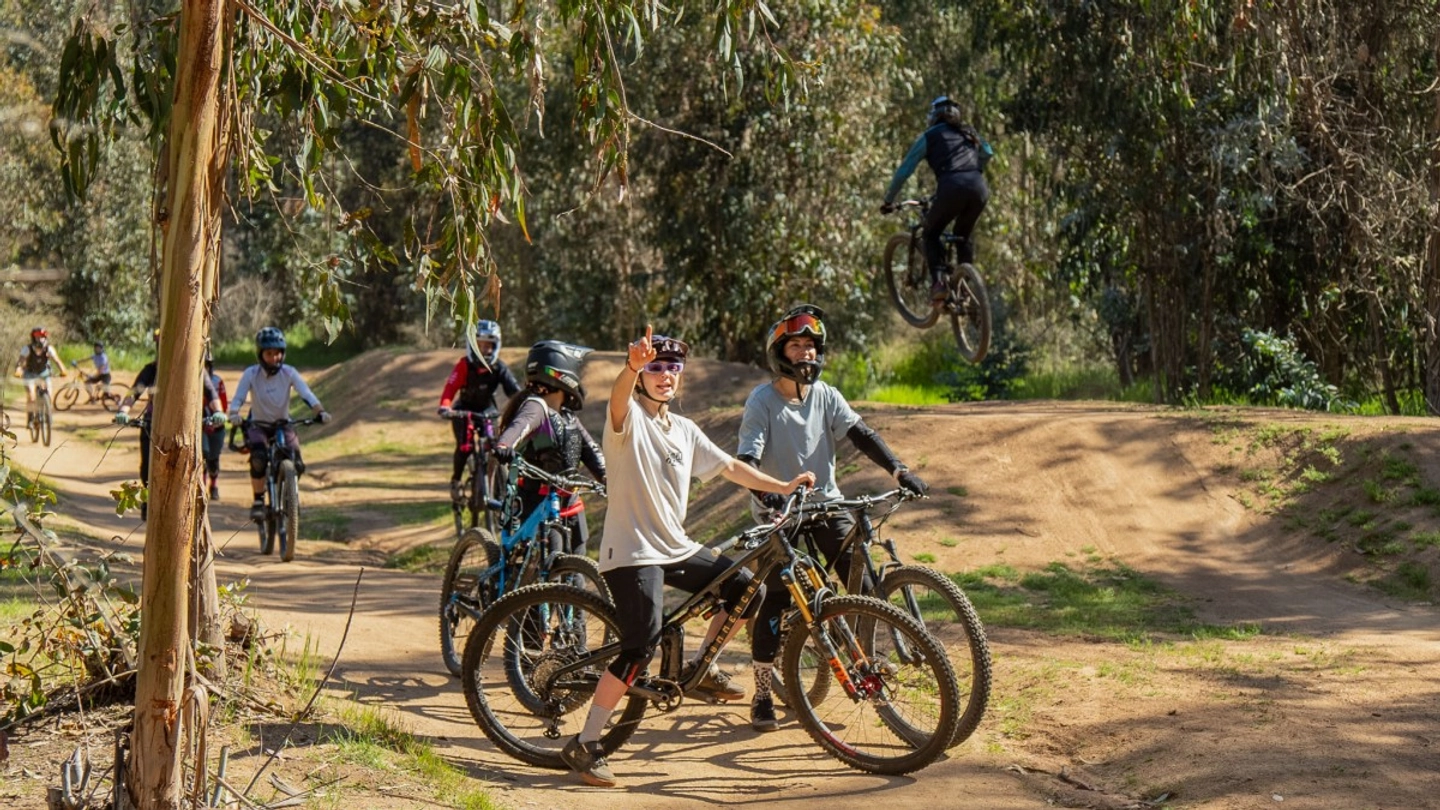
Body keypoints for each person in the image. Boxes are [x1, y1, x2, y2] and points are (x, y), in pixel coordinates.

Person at [559, 326, 814, 788]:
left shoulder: (685, 430)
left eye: (672, 368)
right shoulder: (627, 419)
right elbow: (618, 398)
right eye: (655, 368)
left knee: (744, 590)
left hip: (676, 546)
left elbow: (731, 467)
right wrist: (630, 366)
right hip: (632, 551)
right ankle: (587, 742)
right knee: (641, 645)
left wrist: (783, 485)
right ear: (642, 377)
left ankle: (703, 668)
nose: (665, 376)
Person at [736, 304, 929, 732]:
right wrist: (767, 494)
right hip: (779, 512)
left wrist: (899, 469)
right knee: (776, 599)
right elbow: (746, 458)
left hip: (825, 505)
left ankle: (867, 662)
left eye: (811, 346)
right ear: (779, 352)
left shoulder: (826, 395)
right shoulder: (762, 401)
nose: (806, 353)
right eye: (797, 345)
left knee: (862, 584)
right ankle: (763, 693)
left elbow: (862, 434)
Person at [492, 340, 605, 554]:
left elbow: (591, 451)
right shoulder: (537, 406)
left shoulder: (568, 416)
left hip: (570, 503)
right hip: (538, 502)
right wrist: (504, 444)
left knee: (575, 575)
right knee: (547, 568)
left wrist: (608, 478)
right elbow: (519, 426)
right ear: (564, 372)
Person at [881, 95, 992, 300]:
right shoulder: (968, 132)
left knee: (930, 234)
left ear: (933, 116)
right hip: (979, 188)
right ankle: (965, 287)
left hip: (951, 187)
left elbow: (905, 170)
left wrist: (888, 200)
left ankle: (939, 283)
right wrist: (974, 171)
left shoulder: (930, 136)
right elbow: (987, 151)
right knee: (962, 235)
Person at [114, 331, 226, 521]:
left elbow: (211, 393)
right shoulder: (151, 370)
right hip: (153, 425)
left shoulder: (196, 369)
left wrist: (218, 412)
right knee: (147, 468)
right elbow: (134, 392)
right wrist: (124, 411)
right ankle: (149, 502)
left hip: (185, 428)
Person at [226, 327, 332, 523]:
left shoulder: (289, 373)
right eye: (269, 353)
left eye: (277, 353)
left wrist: (320, 411)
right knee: (258, 458)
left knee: (297, 463)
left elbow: (307, 395)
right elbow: (238, 398)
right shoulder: (251, 374)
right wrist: (233, 414)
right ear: (260, 354)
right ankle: (258, 501)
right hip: (258, 424)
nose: (274, 358)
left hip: (284, 424)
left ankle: (289, 496)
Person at [437, 320, 521, 502]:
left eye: (489, 345)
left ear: (496, 346)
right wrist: (445, 406)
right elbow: (450, 389)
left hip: (487, 410)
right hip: (464, 410)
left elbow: (514, 392)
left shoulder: (499, 367)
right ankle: (456, 481)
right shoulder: (464, 365)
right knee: (465, 447)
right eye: (480, 344)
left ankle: (498, 485)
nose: (484, 350)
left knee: (494, 445)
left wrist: (525, 406)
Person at [13, 326, 67, 424]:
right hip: (30, 373)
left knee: (49, 396)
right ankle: (30, 416)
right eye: (37, 336)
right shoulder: (27, 348)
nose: (40, 338)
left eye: (42, 336)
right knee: (32, 396)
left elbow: (57, 360)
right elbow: (21, 361)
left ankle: (46, 414)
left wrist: (63, 370)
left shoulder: (49, 348)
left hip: (44, 373)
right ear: (33, 337)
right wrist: (18, 370)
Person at [202, 352, 229, 500]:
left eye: (205, 365)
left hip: (216, 426)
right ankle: (202, 487)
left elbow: (223, 404)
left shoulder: (217, 382)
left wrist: (217, 419)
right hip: (200, 427)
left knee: (213, 459)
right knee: (203, 454)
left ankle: (214, 484)